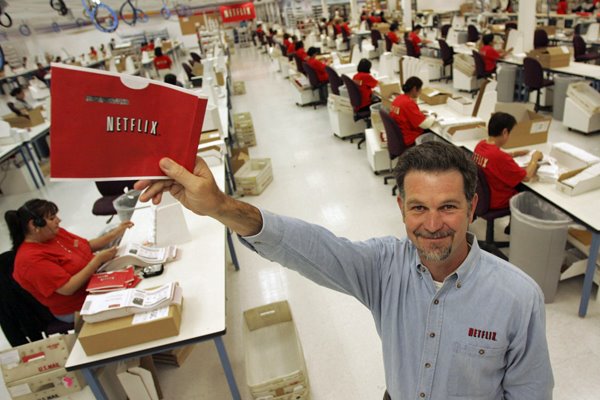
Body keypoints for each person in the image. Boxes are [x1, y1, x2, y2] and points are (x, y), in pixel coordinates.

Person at [135, 141, 554, 400]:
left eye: (448, 207)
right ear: (401, 208)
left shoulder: (518, 298)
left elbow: (530, 393)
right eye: (418, 208)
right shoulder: (384, 268)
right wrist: (222, 207)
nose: (432, 224)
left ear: (472, 207)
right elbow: (310, 247)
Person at [5, 199, 133, 323]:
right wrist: (97, 261)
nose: (58, 220)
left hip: (97, 283)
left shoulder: (53, 234)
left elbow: (87, 246)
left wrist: (115, 233)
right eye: (52, 218)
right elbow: (68, 288)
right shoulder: (30, 260)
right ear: (34, 225)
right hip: (78, 305)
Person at [473, 112, 543, 210]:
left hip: (481, 198)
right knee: (534, 194)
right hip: (499, 200)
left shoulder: (480, 145)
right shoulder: (499, 157)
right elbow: (526, 177)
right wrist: (535, 158)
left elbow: (491, 159)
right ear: (505, 132)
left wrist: (514, 154)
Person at [389, 76, 435, 147]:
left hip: (399, 136)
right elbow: (425, 125)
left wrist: (418, 113)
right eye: (420, 89)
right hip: (409, 138)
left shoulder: (399, 98)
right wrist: (433, 116)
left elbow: (405, 114)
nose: (421, 92)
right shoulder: (408, 103)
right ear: (414, 89)